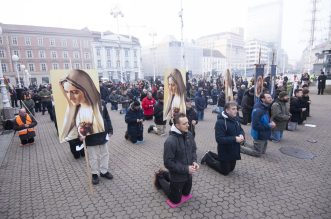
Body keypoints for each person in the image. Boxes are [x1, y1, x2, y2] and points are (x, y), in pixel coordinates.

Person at [154, 113, 199, 205]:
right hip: (177, 176)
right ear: (177, 125)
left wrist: (194, 161)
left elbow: (193, 150)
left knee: (186, 193)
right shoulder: (170, 141)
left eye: (188, 122)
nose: (188, 125)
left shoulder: (189, 135)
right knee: (175, 200)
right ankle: (160, 177)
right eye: (184, 124)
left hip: (188, 175)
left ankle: (165, 174)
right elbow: (168, 163)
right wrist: (186, 169)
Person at [58, 69, 105, 143]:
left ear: (86, 90)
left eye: (75, 92)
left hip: (98, 142)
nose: (70, 97)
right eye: (67, 92)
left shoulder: (98, 108)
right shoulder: (75, 110)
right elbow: (73, 132)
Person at [201, 101, 244, 175]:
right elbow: (219, 139)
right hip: (225, 150)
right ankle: (207, 157)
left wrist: (241, 135)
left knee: (231, 169)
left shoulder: (236, 119)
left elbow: (241, 129)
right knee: (225, 171)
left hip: (234, 149)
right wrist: (235, 139)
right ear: (227, 110)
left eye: (236, 109)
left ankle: (210, 153)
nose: (236, 111)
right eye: (233, 109)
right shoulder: (220, 122)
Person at [81, 100, 114, 185]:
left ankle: (104, 171)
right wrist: (81, 133)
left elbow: (106, 117)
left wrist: (110, 129)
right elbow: (80, 121)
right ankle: (94, 174)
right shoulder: (83, 104)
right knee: (93, 156)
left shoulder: (102, 102)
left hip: (103, 134)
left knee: (105, 153)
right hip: (90, 135)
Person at [240, 93, 275, 157]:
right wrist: (269, 125)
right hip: (259, 134)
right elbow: (255, 126)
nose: (271, 99)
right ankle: (239, 148)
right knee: (258, 153)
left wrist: (270, 123)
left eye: (271, 97)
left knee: (262, 151)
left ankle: (244, 143)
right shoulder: (258, 110)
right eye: (268, 97)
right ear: (263, 99)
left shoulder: (266, 107)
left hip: (265, 133)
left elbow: (265, 119)